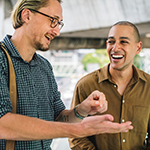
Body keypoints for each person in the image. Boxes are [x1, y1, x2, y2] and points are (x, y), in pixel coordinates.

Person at [0, 0, 133, 149]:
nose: (57, 31)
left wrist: (81, 110)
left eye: (59, 24)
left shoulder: (44, 67)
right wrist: (76, 130)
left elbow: (58, 119)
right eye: (53, 21)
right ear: (27, 15)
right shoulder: (1, 60)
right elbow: (2, 124)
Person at [69, 21, 150, 150]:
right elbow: (74, 134)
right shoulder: (85, 85)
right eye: (111, 42)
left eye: (123, 42)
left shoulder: (148, 86)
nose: (115, 48)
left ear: (138, 48)